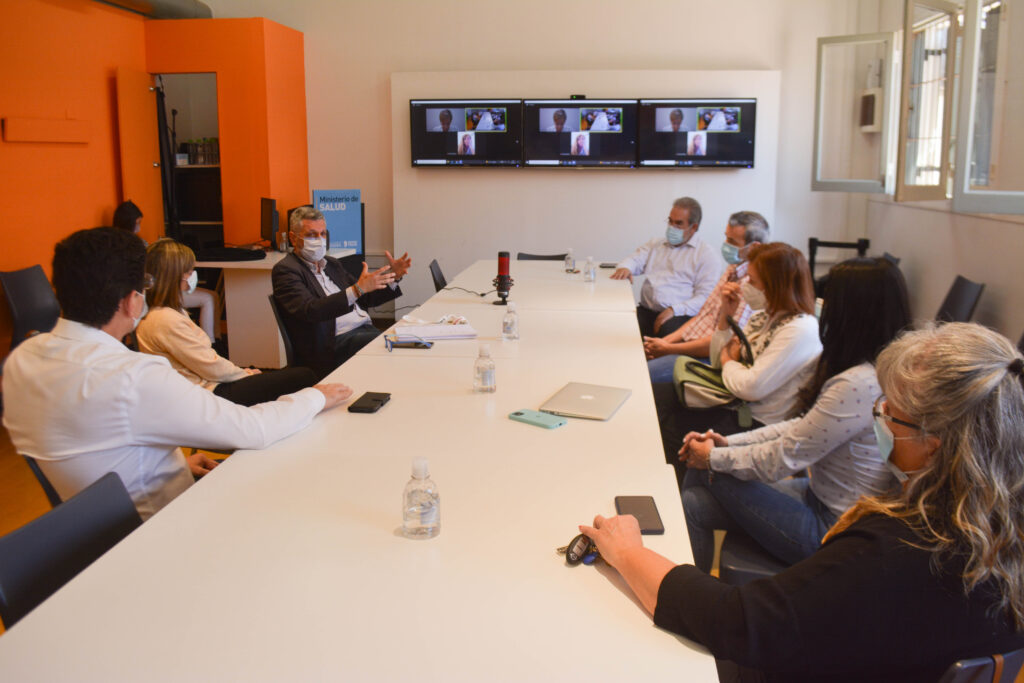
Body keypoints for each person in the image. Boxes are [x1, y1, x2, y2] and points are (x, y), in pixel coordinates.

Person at [579, 323, 1024, 681]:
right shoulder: (995, 532)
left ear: (933, 444)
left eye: (892, 413)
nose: (881, 417)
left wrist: (630, 553)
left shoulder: (890, 551)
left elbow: (739, 623)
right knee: (697, 499)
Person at [2, 227, 352, 520]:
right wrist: (315, 396)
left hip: (97, 527)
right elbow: (254, 429)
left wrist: (169, 465)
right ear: (132, 301)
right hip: (162, 525)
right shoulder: (133, 377)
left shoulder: (22, 359)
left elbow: (93, 447)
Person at [677, 257, 911, 571]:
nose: (822, 306)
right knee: (694, 500)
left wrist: (712, 457)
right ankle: (696, 587)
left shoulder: (857, 383)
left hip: (835, 527)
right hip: (824, 499)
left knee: (702, 468)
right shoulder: (875, 371)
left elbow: (784, 456)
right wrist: (726, 443)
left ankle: (691, 589)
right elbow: (802, 428)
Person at [652, 242, 820, 462]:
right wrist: (725, 318)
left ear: (776, 286)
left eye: (753, 281)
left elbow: (750, 387)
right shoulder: (764, 317)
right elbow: (717, 361)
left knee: (665, 423)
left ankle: (686, 476)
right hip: (733, 402)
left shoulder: (799, 330)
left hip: (755, 421)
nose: (745, 286)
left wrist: (729, 359)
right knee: (656, 396)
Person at [137, 238, 317, 406]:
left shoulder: (164, 313)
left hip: (209, 384)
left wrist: (243, 372)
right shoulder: (166, 320)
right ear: (174, 276)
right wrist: (245, 374)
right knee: (304, 376)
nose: (193, 275)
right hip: (210, 393)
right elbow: (210, 367)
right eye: (189, 271)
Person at [271, 206, 411, 379]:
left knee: (405, 341)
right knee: (389, 347)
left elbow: (365, 299)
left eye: (323, 234)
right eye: (311, 235)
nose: (319, 240)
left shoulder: (331, 264)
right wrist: (357, 289)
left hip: (364, 330)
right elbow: (310, 310)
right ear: (293, 238)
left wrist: (394, 277)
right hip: (331, 344)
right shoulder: (286, 270)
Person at [644, 210, 769, 382]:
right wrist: (665, 342)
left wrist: (668, 349)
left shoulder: (751, 286)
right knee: (641, 358)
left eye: (732, 241)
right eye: (726, 238)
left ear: (754, 247)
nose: (726, 244)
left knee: (644, 375)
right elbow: (704, 315)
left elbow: (724, 343)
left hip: (709, 357)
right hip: (691, 345)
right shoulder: (733, 269)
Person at [611, 196, 720, 338]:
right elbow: (634, 259)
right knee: (619, 326)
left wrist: (674, 310)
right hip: (647, 311)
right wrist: (626, 268)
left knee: (665, 332)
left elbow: (706, 298)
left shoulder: (706, 255)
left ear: (694, 227)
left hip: (680, 315)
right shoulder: (656, 244)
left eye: (679, 223)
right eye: (670, 221)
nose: (672, 227)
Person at [113, 199, 220, 342]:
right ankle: (212, 341)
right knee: (208, 298)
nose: (139, 226)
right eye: (138, 222)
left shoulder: (129, 245)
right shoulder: (135, 247)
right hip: (155, 293)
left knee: (212, 296)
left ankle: (215, 339)